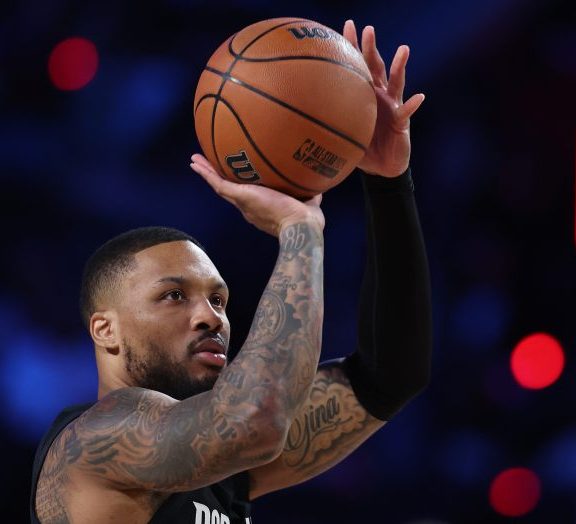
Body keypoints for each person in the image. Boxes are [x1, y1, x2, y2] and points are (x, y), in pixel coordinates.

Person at [30, 21, 431, 523]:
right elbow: (253, 422)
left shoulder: (221, 469)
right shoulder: (93, 442)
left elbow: (390, 377)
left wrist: (389, 183)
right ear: (105, 329)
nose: (210, 317)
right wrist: (299, 230)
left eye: (218, 300)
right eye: (173, 295)